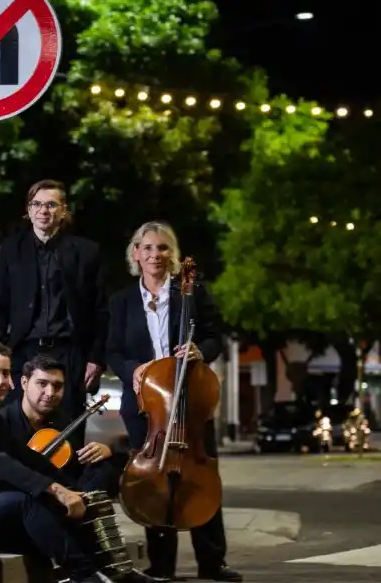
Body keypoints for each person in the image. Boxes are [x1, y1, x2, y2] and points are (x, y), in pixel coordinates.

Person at [0, 342, 156, 583]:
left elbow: (27, 457)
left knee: (66, 501)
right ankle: (85, 576)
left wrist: (72, 491)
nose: (0, 380)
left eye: (5, 373)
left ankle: (113, 569)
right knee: (28, 500)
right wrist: (54, 489)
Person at [105, 221, 242, 582]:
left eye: (163, 248)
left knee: (200, 480)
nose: (155, 255)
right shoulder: (121, 301)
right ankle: (161, 564)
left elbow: (216, 337)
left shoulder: (191, 294)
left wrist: (200, 350)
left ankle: (213, 562)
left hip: (189, 403)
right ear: (136, 253)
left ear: (173, 255)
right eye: (147, 248)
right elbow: (114, 350)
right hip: (147, 406)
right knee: (154, 483)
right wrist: (132, 370)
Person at [0, 179, 108, 419]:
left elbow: (100, 309)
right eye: (37, 204)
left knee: (68, 429)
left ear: (64, 210)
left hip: (69, 352)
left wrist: (95, 359)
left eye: (51, 205)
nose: (43, 211)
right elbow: (0, 304)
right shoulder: (12, 249)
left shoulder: (86, 251)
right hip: (23, 351)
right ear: (28, 210)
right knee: (17, 426)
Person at [0, 354, 124, 499]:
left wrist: (105, 451)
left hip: (58, 492)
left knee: (104, 470)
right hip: (18, 494)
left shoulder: (63, 421)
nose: (50, 393)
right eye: (42, 384)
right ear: (24, 383)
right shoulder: (1, 421)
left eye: (57, 386)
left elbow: (75, 468)